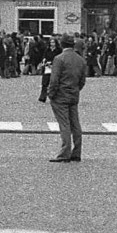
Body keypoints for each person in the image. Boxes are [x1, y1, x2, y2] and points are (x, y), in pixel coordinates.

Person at [44, 33, 87, 163]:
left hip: (60, 96)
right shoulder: (80, 60)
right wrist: (75, 89)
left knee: (64, 124)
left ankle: (65, 153)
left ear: (61, 44)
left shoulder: (59, 59)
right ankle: (77, 151)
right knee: (75, 124)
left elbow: (54, 80)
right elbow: (82, 81)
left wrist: (51, 94)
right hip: (74, 94)